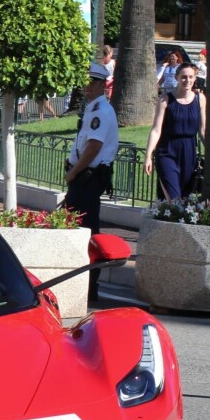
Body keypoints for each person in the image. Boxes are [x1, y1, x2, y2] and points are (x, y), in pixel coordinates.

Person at [64, 63, 119, 301]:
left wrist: (73, 172)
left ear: (100, 85)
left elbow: (93, 148)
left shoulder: (100, 112)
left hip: (88, 177)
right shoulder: (93, 109)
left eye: (90, 83)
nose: (86, 87)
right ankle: (83, 284)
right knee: (79, 228)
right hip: (85, 176)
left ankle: (88, 286)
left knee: (84, 231)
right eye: (85, 82)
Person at [143, 62, 205, 201]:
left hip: (189, 152)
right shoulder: (165, 99)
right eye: (183, 77)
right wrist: (148, 156)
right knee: (173, 198)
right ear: (176, 77)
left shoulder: (200, 99)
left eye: (190, 77)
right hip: (167, 151)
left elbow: (202, 130)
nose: (187, 80)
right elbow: (156, 130)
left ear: (195, 78)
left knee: (184, 198)